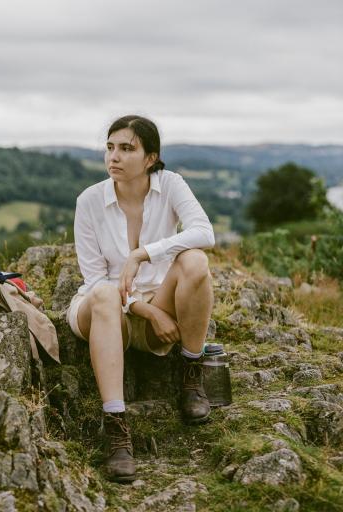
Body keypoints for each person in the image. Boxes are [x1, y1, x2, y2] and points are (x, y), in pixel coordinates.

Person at [66, 115, 215, 483]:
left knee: (195, 261)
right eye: (110, 147)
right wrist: (145, 309)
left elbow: (204, 232)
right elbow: (95, 279)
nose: (114, 157)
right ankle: (116, 428)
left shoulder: (171, 185)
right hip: (104, 312)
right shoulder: (89, 201)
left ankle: (191, 375)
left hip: (154, 297)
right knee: (102, 293)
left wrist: (143, 253)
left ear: (150, 157)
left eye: (127, 149)